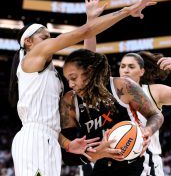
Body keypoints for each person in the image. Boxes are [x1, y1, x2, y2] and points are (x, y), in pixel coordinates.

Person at [8, 0, 160, 176]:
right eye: (44, 37)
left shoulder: (50, 73)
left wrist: (67, 143)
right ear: (29, 42)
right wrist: (128, 10)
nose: (50, 41)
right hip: (35, 138)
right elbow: (85, 32)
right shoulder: (32, 57)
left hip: (51, 139)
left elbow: (87, 69)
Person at [60, 48, 164, 176]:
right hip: (101, 166)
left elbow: (156, 115)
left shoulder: (122, 86)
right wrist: (97, 153)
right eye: (68, 80)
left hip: (136, 163)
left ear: (90, 72)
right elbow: (68, 156)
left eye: (74, 78)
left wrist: (147, 131)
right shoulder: (69, 101)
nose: (70, 84)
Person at [119, 52, 171, 176]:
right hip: (118, 163)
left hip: (146, 162)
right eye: (122, 66)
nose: (125, 70)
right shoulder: (111, 93)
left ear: (142, 71)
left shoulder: (153, 91)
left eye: (131, 67)